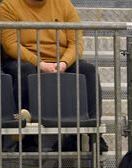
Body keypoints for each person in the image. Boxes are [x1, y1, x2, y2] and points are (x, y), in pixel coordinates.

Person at [0, 0, 106, 152]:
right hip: (26, 60)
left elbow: (76, 43)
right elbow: (10, 44)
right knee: (24, 70)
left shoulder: (64, 4)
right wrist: (39, 63)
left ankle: (93, 132)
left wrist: (63, 63)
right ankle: (27, 137)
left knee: (88, 70)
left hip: (60, 61)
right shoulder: (8, 6)